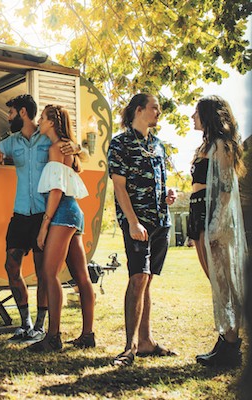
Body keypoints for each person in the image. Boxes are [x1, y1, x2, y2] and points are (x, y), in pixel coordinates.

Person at [0, 94, 85, 343]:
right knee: (11, 266)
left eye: (11, 112)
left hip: (44, 213)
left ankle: (40, 326)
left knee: (42, 272)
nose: (8, 117)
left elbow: (74, 150)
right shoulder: (12, 142)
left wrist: (80, 148)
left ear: (23, 112)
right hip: (20, 213)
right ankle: (25, 323)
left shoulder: (48, 138)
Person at [107, 93, 177, 366]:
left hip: (161, 222)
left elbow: (160, 181)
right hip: (137, 222)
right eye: (154, 108)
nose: (158, 113)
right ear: (139, 110)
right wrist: (133, 222)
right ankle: (129, 347)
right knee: (137, 278)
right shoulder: (120, 143)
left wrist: (168, 195)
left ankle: (146, 342)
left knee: (147, 280)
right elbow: (119, 186)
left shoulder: (158, 145)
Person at [27, 105, 96, 352]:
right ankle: (88, 334)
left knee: (49, 273)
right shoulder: (66, 146)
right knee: (81, 275)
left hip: (62, 212)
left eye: (42, 118)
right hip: (73, 212)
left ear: (52, 122)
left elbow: (56, 189)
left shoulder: (57, 148)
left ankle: (53, 337)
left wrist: (45, 225)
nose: (39, 121)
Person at [188, 95, 247, 368]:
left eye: (196, 113)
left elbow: (224, 189)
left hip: (214, 217)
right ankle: (226, 338)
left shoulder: (222, 146)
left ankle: (231, 345)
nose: (192, 118)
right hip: (199, 212)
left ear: (209, 115)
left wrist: (216, 224)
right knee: (215, 282)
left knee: (223, 281)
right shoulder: (206, 146)